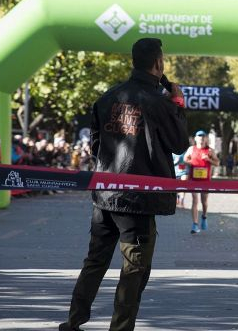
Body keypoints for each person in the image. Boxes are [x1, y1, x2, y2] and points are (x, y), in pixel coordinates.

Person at [59, 38, 187, 331]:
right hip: (138, 201)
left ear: (133, 62)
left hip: (104, 195)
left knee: (95, 261)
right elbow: (180, 143)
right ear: (159, 64)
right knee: (134, 270)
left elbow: (95, 146)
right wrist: (178, 103)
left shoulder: (107, 98)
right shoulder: (160, 103)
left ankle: (73, 322)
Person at [184, 130, 220, 234]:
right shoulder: (191, 149)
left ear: (206, 139)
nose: (201, 139)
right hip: (193, 180)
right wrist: (191, 162)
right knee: (195, 200)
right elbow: (185, 159)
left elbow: (217, 163)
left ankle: (204, 216)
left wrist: (209, 160)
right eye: (199, 137)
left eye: (203, 137)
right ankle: (195, 224)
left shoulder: (210, 150)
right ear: (196, 138)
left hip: (205, 181)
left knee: (204, 202)